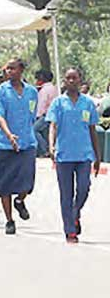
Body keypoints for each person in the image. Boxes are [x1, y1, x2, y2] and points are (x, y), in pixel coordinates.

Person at [46, 68, 100, 243]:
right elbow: (52, 126)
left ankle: (75, 212)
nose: (71, 81)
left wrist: (97, 157)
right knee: (66, 194)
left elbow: (92, 130)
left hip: (84, 154)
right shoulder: (58, 103)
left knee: (84, 188)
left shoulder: (88, 104)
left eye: (74, 78)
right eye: (67, 78)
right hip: (64, 155)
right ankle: (70, 230)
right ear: (64, 81)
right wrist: (51, 146)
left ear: (80, 80)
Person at [0, 59, 38, 235]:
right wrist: (9, 134)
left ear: (21, 70)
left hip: (27, 143)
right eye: (7, 69)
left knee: (27, 181)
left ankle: (20, 200)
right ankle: (9, 220)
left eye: (12, 68)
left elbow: (32, 115)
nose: (9, 71)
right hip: (4, 144)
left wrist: (23, 133)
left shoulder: (32, 92)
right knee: (4, 184)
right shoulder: (1, 91)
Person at [33, 70, 58, 157]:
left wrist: (37, 116)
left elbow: (42, 104)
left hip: (46, 115)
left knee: (34, 130)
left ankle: (45, 150)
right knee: (44, 133)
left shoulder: (44, 90)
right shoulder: (54, 88)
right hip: (53, 115)